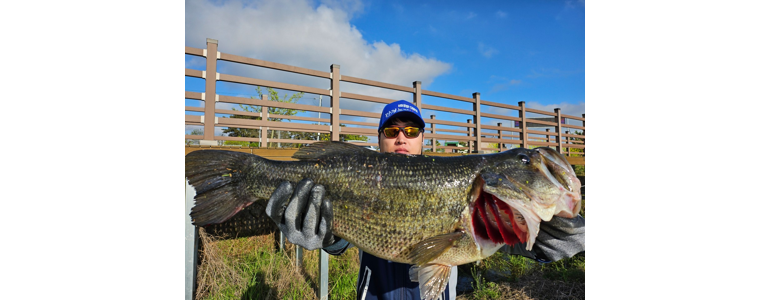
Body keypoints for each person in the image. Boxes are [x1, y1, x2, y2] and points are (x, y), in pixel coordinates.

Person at [265, 100, 585, 300]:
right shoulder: (362, 174)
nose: (401, 136)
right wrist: (325, 237)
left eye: (411, 129)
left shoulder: (482, 197)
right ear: (379, 140)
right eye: (391, 130)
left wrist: (555, 219)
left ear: (422, 138)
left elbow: (567, 244)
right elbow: (340, 240)